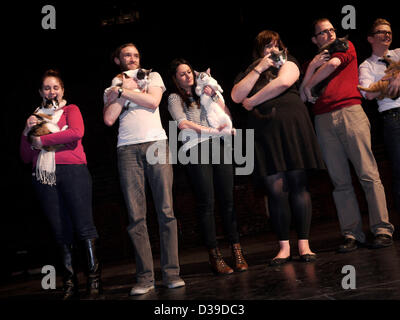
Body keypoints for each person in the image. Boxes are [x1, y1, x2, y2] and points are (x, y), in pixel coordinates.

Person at [231, 30, 325, 266]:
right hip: (264, 133)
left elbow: (284, 82)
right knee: (275, 189)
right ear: (259, 51)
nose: (273, 50)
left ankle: (304, 245)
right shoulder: (250, 70)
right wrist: (259, 68)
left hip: (292, 125)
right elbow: (235, 96)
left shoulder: (290, 62)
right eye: (267, 46)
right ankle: (284, 248)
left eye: (276, 45)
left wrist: (253, 101)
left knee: (297, 184)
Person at [300, 18, 395, 252]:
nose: (330, 34)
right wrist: (310, 71)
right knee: (339, 180)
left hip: (350, 112)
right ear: (315, 39)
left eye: (332, 29)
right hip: (323, 120)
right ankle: (352, 233)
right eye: (323, 32)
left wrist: (308, 82)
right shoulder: (311, 63)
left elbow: (331, 67)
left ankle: (382, 229)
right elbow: (303, 98)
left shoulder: (345, 46)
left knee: (368, 173)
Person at [103, 43, 184, 295]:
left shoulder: (153, 76)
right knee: (136, 216)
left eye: (136, 55)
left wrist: (124, 94)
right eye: (127, 55)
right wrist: (123, 90)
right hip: (127, 149)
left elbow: (152, 102)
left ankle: (172, 273)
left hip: (156, 144)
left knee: (166, 210)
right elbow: (108, 118)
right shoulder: (111, 86)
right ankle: (145, 278)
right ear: (117, 60)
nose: (132, 58)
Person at [20, 69, 102, 300]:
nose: (51, 91)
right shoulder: (35, 118)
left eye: (56, 87)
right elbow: (26, 156)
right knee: (60, 230)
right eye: (47, 87)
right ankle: (69, 283)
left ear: (62, 90)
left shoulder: (70, 110)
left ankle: (94, 282)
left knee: (84, 227)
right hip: (44, 176)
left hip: (73, 171)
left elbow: (75, 133)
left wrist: (41, 140)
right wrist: (27, 131)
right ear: (40, 92)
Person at [167, 58, 248, 275]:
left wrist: (216, 97)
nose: (188, 76)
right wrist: (213, 132)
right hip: (195, 149)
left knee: (228, 201)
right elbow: (183, 124)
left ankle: (237, 250)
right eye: (182, 74)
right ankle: (215, 255)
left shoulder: (206, 91)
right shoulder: (175, 97)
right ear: (175, 79)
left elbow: (227, 117)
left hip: (219, 146)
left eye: (189, 72)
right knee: (206, 203)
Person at [359, 18, 400, 213]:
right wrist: (389, 81)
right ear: (370, 38)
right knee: (399, 171)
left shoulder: (399, 54)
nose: (387, 35)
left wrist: (398, 75)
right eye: (382, 32)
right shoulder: (366, 66)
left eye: (389, 32)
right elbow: (368, 93)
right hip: (392, 118)